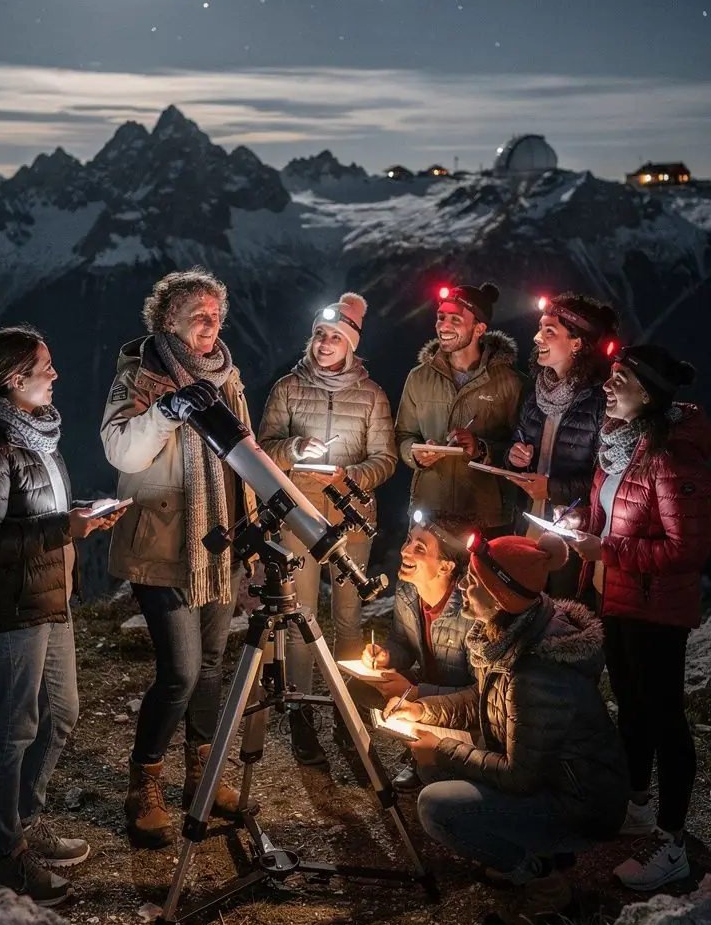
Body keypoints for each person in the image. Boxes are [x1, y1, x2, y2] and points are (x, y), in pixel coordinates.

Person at [0, 325, 124, 905]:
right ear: (15, 380)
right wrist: (63, 528)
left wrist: (79, 515)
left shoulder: (35, 439)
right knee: (16, 727)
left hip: (51, 598)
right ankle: (8, 860)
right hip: (12, 610)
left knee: (63, 713)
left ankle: (26, 822)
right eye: (45, 368)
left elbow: (37, 513)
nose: (56, 375)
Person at [397, 532, 627, 925]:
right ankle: (533, 853)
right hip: (550, 783)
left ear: (500, 597)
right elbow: (481, 699)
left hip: (579, 805)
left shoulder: (536, 670)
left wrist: (443, 748)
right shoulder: (508, 633)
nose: (463, 589)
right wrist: (423, 709)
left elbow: (520, 776)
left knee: (435, 804)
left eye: (474, 583)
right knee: (433, 767)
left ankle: (544, 882)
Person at [101, 268, 256, 848]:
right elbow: (122, 449)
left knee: (213, 662)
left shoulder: (227, 374)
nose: (212, 326)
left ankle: (204, 777)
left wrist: (253, 520)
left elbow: (242, 447)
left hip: (219, 542)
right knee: (182, 671)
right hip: (162, 544)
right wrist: (169, 410)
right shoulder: (138, 374)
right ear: (168, 320)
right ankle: (145, 785)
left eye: (217, 315)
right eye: (200, 316)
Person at [573, 344, 711, 891]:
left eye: (620, 379)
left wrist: (606, 552)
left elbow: (687, 550)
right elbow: (613, 513)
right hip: (622, 597)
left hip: (656, 605)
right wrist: (584, 527)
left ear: (648, 394)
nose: (608, 386)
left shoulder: (675, 457)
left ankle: (672, 842)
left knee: (664, 718)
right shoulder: (624, 446)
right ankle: (637, 804)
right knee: (631, 706)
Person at [258, 293, 397, 765]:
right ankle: (300, 715)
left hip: (351, 521)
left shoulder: (372, 394)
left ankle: (347, 711)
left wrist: (350, 476)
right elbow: (264, 447)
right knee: (300, 620)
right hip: (299, 517)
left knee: (348, 619)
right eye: (319, 334)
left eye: (335, 336)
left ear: (351, 344)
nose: (324, 343)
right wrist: (295, 446)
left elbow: (386, 458)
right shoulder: (287, 388)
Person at [503, 293, 619, 595]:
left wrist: (551, 488)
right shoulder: (536, 392)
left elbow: (605, 478)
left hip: (573, 534)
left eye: (549, 331)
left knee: (565, 613)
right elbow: (518, 441)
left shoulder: (599, 402)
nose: (537, 337)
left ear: (576, 343)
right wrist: (516, 457)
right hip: (530, 521)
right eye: (540, 327)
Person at [357, 510, 475, 791]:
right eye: (409, 541)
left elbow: (481, 694)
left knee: (434, 782)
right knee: (358, 687)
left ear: (446, 567)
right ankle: (418, 752)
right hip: (425, 687)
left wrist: (414, 692)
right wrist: (385, 654)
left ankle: (450, 760)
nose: (405, 551)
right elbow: (402, 643)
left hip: (460, 706)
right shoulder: (408, 590)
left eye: (419, 548)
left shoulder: (470, 610)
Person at [395, 282, 523, 530]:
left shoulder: (510, 383)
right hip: (429, 514)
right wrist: (415, 453)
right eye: (441, 317)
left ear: (479, 328)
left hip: (485, 519)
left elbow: (520, 452)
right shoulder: (419, 377)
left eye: (455, 319)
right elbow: (403, 435)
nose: (443, 326)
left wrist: (481, 448)